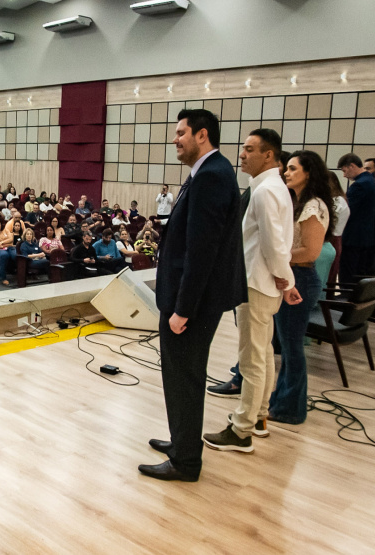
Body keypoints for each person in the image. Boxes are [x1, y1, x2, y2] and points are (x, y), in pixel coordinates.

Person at [139, 109, 246, 483]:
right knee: (181, 375)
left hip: (193, 303)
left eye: (180, 132)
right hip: (193, 298)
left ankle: (185, 461)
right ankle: (182, 441)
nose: (175, 139)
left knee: (184, 376)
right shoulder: (209, 173)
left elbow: (203, 251)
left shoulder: (212, 176)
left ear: (202, 135)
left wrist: (183, 309)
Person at [202, 130, 297, 453]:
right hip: (265, 283)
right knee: (265, 354)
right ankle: (258, 416)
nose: (241, 155)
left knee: (251, 359)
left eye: (249, 149)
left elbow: (273, 244)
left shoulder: (265, 191)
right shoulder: (275, 188)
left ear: (269, 155)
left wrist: (286, 279)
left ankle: (241, 430)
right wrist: (286, 279)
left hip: (257, 283)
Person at [269, 151, 334, 424]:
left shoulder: (313, 206)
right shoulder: (299, 203)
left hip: (301, 279)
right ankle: (281, 400)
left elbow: (310, 251)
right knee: (286, 344)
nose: (287, 172)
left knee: (292, 346)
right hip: (291, 276)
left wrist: (275, 255)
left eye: (293, 168)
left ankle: (292, 408)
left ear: (308, 173)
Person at [337, 154, 375, 286]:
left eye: (344, 171)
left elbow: (348, 210)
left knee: (348, 275)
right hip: (365, 236)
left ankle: (345, 302)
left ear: (352, 166)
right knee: (359, 273)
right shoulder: (372, 181)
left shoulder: (359, 185)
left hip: (353, 237)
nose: (344, 175)